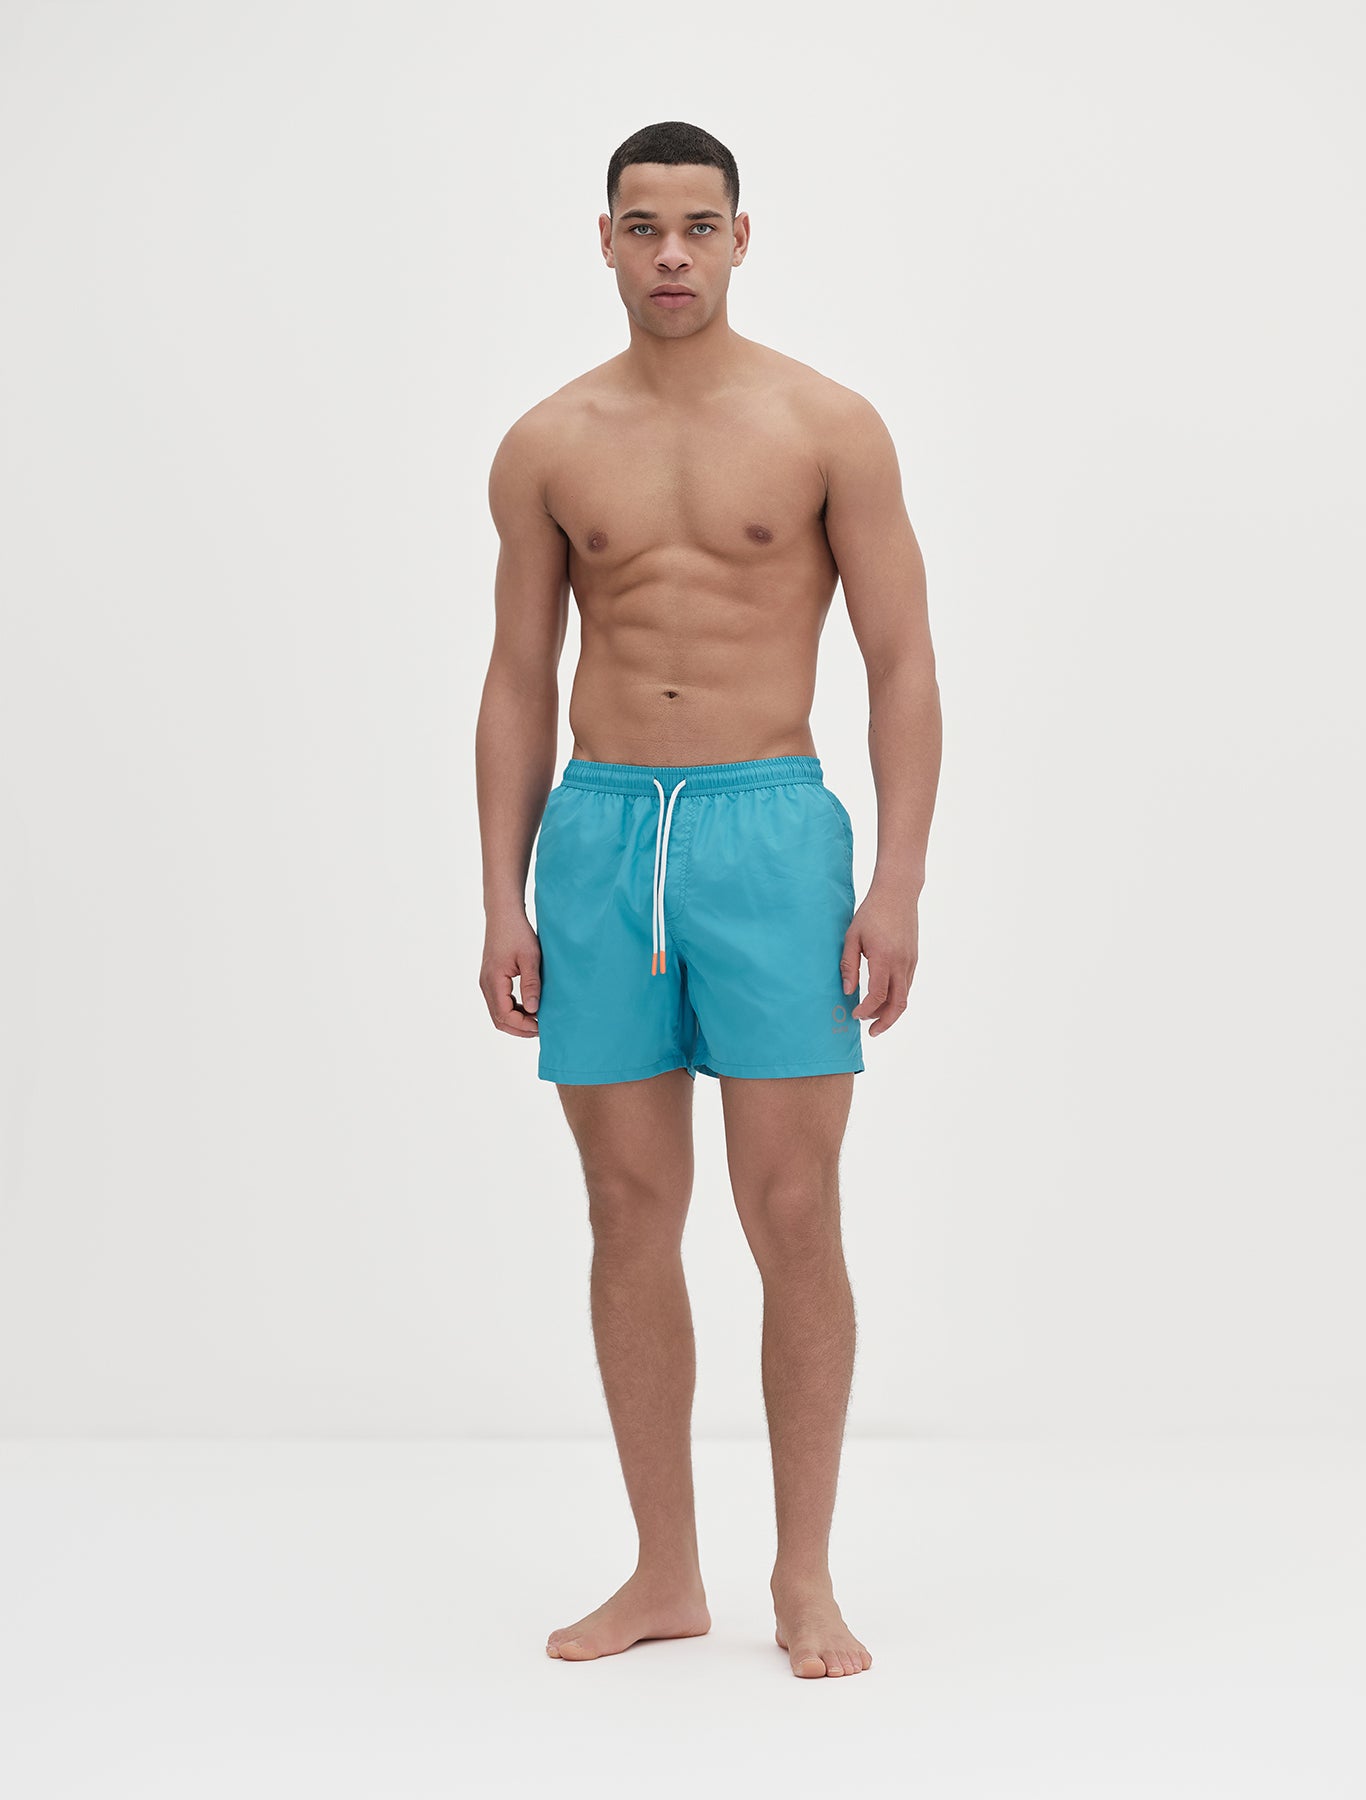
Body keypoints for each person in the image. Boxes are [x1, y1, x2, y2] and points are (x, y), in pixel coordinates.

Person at [475, 120, 941, 1680]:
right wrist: (502, 896)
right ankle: (664, 1574)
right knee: (626, 1211)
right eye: (642, 226)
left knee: (793, 1208)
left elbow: (902, 667)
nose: (670, 252)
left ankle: (804, 1577)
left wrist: (897, 881)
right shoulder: (547, 443)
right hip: (601, 836)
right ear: (605, 241)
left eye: (697, 225)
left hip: (768, 832)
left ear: (743, 237)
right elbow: (515, 680)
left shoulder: (828, 426)